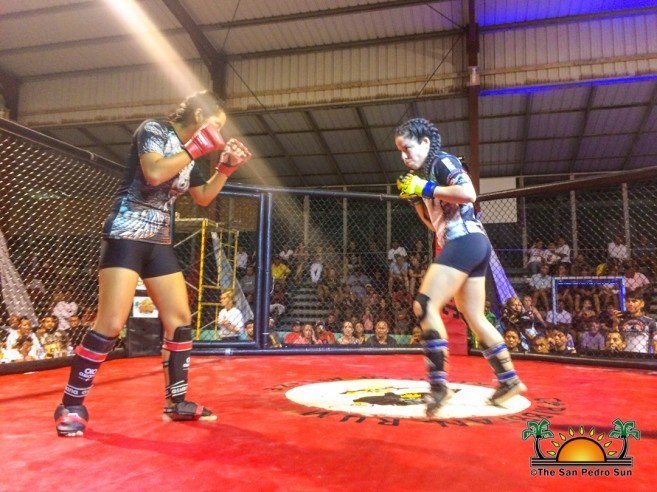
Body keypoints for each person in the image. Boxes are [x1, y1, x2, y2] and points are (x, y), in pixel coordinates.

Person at [54, 91, 252, 437]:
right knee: (111, 322)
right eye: (215, 125)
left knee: (180, 320)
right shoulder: (154, 130)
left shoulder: (189, 152)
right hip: (126, 233)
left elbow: (203, 197)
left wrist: (226, 168)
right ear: (198, 116)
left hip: (158, 240)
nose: (217, 134)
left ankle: (176, 403)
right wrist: (195, 148)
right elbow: (155, 173)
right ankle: (71, 404)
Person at [394, 117, 526, 414]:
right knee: (474, 316)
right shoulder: (427, 175)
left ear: (425, 142)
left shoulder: (442, 161)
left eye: (408, 148)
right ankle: (509, 380)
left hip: (464, 240)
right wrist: (417, 199)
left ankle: (438, 386)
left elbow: (469, 194)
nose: (404, 157)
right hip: (471, 243)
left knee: (425, 305)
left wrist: (425, 187)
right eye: (400, 151)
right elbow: (434, 225)